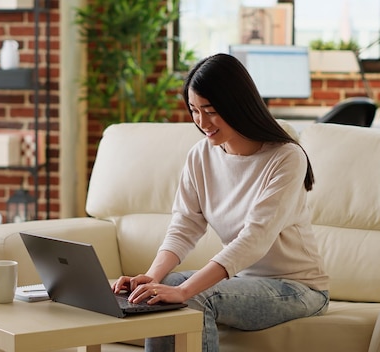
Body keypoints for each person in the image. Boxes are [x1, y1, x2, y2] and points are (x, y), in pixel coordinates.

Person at [112, 53, 329, 352]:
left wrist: (186, 289)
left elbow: (254, 240)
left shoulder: (286, 158)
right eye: (194, 110)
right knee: (158, 291)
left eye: (211, 110)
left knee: (195, 295)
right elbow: (185, 225)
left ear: (238, 104)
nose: (202, 122)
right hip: (243, 280)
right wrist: (151, 277)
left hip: (297, 289)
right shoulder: (200, 156)